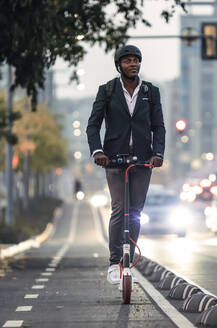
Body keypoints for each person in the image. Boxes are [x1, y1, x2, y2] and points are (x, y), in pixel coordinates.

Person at [86, 45, 165, 285]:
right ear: (119, 65)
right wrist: (98, 151)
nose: (133, 64)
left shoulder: (151, 92)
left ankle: (128, 261)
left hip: (143, 160)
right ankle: (114, 261)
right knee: (120, 208)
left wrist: (158, 153)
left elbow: (158, 126)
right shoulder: (108, 91)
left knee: (137, 212)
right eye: (128, 61)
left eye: (136, 60)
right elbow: (93, 125)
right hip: (114, 159)